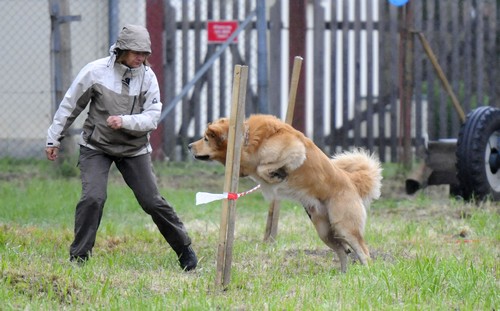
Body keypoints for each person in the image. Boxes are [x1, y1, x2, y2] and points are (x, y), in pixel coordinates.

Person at [45, 24, 197, 271]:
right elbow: (70, 105)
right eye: (136, 52)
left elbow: (152, 118)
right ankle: (79, 258)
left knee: (152, 201)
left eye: (145, 53)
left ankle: (185, 250)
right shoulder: (95, 72)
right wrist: (54, 138)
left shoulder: (148, 77)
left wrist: (124, 121)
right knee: (93, 198)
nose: (141, 58)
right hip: (97, 146)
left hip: (134, 149)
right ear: (121, 50)